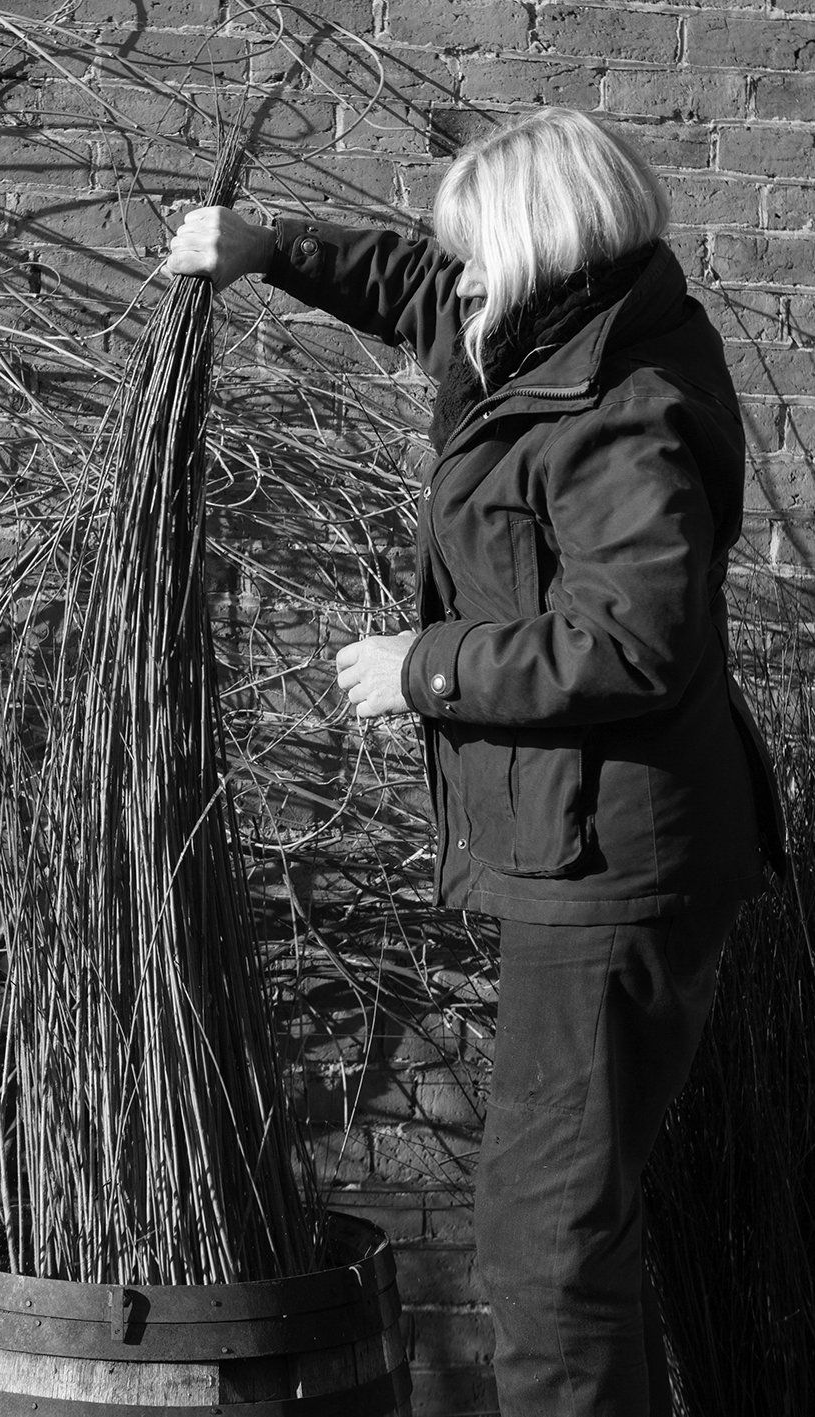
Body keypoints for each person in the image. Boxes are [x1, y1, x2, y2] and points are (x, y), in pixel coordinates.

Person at [166, 107, 786, 1417]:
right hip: (591, 843)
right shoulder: (551, 333)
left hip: (615, 866)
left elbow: (630, 644)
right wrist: (267, 245)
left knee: (543, 1242)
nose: (449, 281)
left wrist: (426, 665)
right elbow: (407, 283)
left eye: (472, 256)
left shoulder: (627, 411)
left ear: (536, 253)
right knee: (563, 1224)